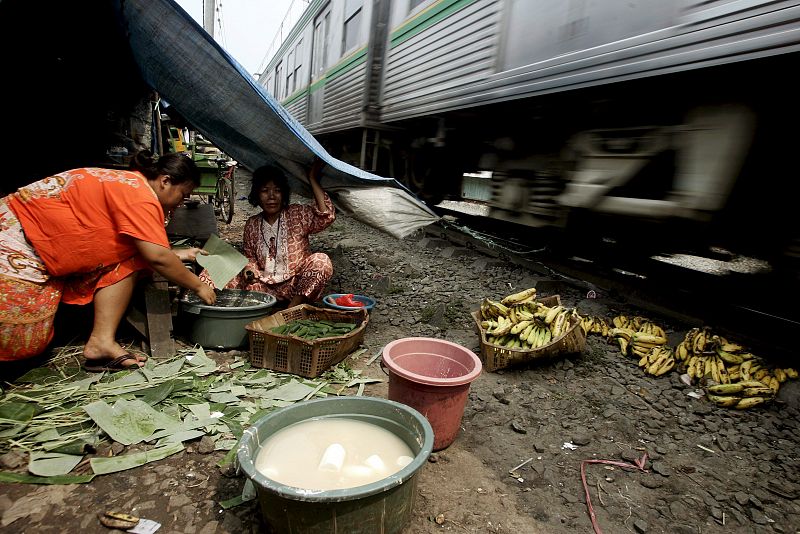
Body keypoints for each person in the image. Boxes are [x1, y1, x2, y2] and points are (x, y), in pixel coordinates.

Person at [0, 150, 216, 370]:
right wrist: (198, 286)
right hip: (17, 235)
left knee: (131, 259)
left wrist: (177, 254)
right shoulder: (140, 196)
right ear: (165, 181)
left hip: (29, 231)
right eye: (183, 194)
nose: (181, 203)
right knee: (16, 330)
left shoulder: (133, 185)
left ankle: (101, 342)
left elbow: (143, 247)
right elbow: (157, 257)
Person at [201, 160, 335, 307]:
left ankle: (291, 310)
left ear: (283, 194)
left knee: (321, 261)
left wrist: (312, 179)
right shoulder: (252, 224)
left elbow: (325, 215)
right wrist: (249, 270)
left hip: (294, 286)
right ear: (257, 195)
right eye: (265, 191)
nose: (272, 196)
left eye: (277, 190)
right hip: (262, 288)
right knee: (213, 270)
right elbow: (250, 257)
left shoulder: (297, 214)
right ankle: (220, 311)